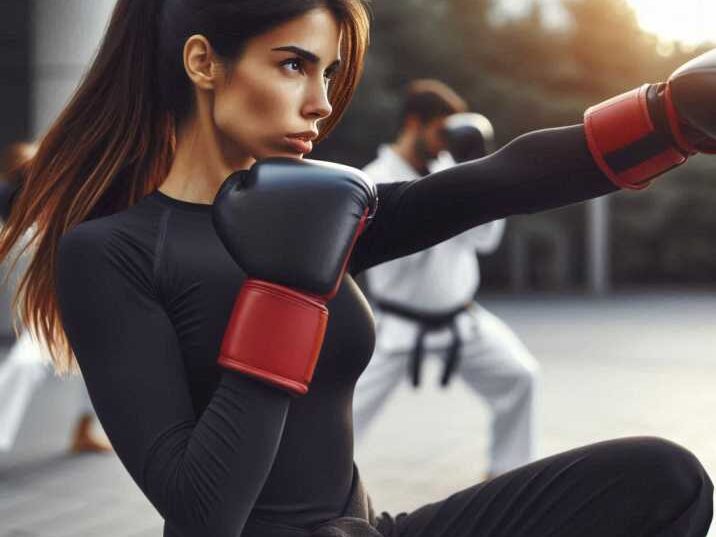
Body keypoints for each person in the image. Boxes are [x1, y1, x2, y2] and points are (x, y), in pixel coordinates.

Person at [0, 1, 713, 536]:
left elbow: (491, 182)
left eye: (330, 72)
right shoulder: (111, 252)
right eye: (294, 65)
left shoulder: (314, 206)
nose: (321, 102)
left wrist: (666, 120)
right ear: (202, 63)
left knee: (661, 478)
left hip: (371, 528)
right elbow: (201, 506)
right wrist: (284, 288)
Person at [353, 81, 539, 478]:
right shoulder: (374, 180)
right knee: (341, 415)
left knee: (520, 377)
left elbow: (485, 241)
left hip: (462, 320)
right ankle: (312, 497)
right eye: (441, 131)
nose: (444, 143)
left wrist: (482, 178)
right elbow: (390, 262)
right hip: (396, 327)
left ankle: (507, 476)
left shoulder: (450, 171)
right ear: (414, 123)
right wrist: (438, 199)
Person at [0, 142, 110, 454]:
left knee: (96, 361)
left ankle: (83, 430)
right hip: (50, 305)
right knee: (28, 361)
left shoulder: (60, 199)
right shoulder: (24, 217)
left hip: (76, 299)